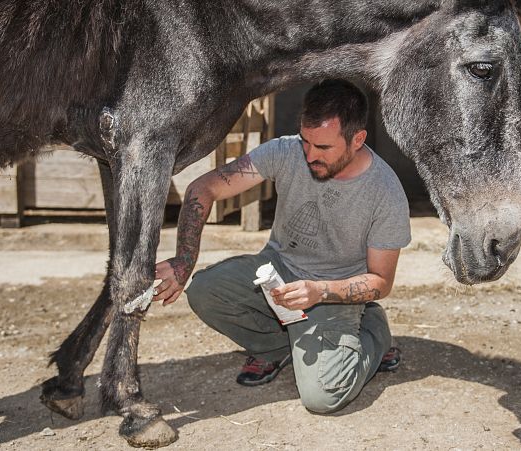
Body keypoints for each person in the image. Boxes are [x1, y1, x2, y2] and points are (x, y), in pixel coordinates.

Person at [153, 79, 411, 414]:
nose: (309, 155)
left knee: (322, 398)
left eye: (323, 148)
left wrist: (320, 291)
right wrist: (184, 261)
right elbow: (204, 188)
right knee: (204, 290)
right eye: (306, 142)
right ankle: (276, 349)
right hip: (276, 273)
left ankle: (373, 332)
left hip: (332, 290)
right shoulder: (285, 151)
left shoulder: (385, 192)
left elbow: (381, 281)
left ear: (358, 139)